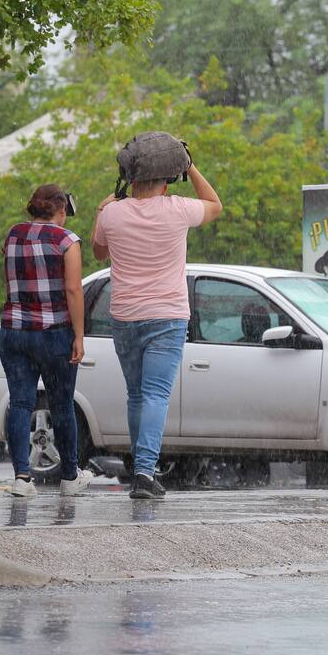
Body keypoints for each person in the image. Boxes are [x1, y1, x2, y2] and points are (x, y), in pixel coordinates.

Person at [93, 161, 222, 500]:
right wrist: (192, 168)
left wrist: (102, 210)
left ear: (130, 180)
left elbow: (98, 251)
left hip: (124, 316)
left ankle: (140, 470)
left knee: (136, 395)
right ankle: (144, 473)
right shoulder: (177, 207)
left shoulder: (112, 213)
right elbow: (214, 205)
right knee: (154, 396)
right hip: (167, 316)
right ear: (165, 183)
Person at [0, 184, 94, 498]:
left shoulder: (13, 234)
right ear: (62, 209)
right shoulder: (66, 240)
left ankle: (22, 478)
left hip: (13, 331)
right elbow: (73, 291)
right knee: (62, 405)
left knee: (21, 403)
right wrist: (79, 336)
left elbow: (13, 275)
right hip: (54, 333)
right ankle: (69, 475)